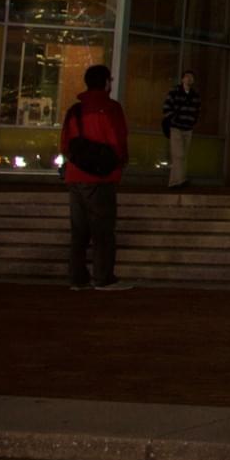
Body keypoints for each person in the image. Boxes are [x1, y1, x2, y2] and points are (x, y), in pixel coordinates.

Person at [60, 64, 130, 292]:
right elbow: (118, 141)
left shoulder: (75, 111)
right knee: (103, 230)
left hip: (76, 174)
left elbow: (65, 143)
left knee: (79, 230)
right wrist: (118, 164)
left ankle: (77, 277)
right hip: (101, 177)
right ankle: (103, 277)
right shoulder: (110, 109)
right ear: (106, 83)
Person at [161, 69, 200, 189]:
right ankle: (181, 180)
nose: (189, 79)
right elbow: (166, 106)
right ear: (183, 79)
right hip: (176, 127)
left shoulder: (195, 95)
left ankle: (174, 182)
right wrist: (173, 118)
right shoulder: (175, 91)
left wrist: (192, 121)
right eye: (187, 76)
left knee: (182, 155)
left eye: (191, 77)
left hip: (187, 128)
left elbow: (197, 110)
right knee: (179, 155)